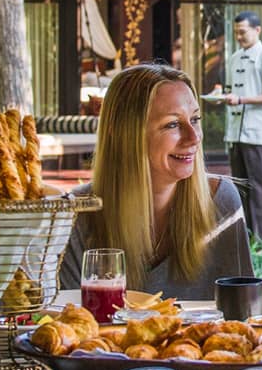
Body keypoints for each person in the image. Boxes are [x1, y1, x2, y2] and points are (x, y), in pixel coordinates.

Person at [59, 64, 252, 299]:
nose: (194, 138)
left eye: (195, 119)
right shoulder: (74, 214)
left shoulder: (221, 200)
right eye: (172, 124)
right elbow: (68, 325)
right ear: (123, 135)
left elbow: (244, 317)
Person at [219, 11, 262, 241]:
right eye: (236, 32)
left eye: (243, 31)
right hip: (236, 131)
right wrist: (222, 95)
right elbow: (230, 92)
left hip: (257, 131)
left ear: (257, 30)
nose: (239, 36)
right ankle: (245, 234)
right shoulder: (234, 57)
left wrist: (241, 99)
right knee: (240, 184)